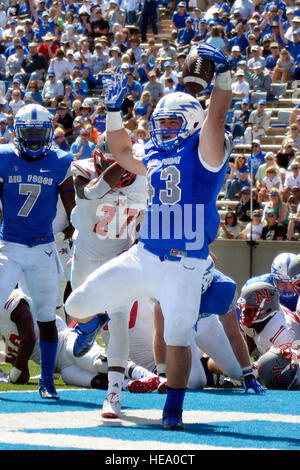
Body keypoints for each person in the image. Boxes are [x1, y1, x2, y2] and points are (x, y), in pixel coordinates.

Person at [65, 43, 233, 430]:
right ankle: (96, 319)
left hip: (184, 263)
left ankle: (173, 409)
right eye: (162, 122)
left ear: (191, 123)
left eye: (174, 123)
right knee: (76, 305)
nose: (165, 129)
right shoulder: (156, 153)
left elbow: (218, 114)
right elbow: (121, 149)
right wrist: (112, 111)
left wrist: (223, 78)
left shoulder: (204, 152)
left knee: (176, 333)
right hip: (146, 254)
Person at [69, 133, 147, 416]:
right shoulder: (83, 170)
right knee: (74, 307)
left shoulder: (145, 178)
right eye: (118, 162)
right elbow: (89, 192)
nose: (124, 170)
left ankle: (114, 393)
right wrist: (127, 162)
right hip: (86, 257)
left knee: (119, 321)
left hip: (119, 257)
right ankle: (89, 324)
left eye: (127, 163)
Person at [0, 104, 74, 400]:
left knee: (45, 315)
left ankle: (46, 379)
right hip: (10, 245)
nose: (32, 140)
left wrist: (73, 232)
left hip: (43, 246)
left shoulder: (59, 161)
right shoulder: (4, 158)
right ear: (17, 132)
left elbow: (73, 210)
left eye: (38, 133)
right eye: (27, 133)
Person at [0, 288, 161, 393]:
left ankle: (154, 378)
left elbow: (28, 338)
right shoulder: (3, 328)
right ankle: (130, 385)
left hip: (66, 342)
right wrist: (13, 371)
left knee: (99, 363)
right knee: (95, 382)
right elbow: (23, 375)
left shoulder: (12, 301)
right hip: (61, 368)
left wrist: (12, 377)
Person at [237, 281, 300, 361]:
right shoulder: (265, 317)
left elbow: (284, 369)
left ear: (266, 309)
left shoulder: (284, 334)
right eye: (243, 309)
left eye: (249, 311)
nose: (244, 314)